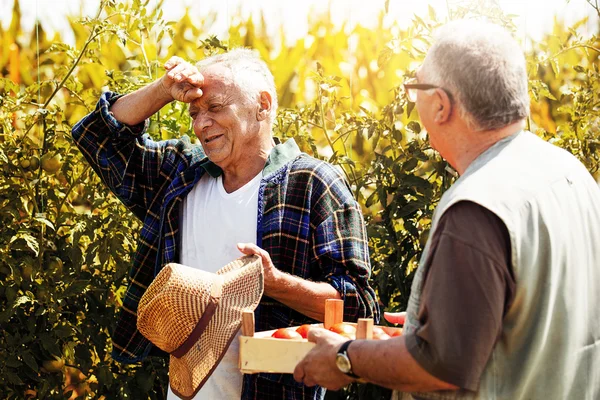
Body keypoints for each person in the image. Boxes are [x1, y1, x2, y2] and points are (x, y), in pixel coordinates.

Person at [293, 19, 600, 400]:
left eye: (415, 87)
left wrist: (344, 358)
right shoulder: (571, 173)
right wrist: (449, 314)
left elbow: (441, 367)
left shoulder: (478, 204)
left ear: (440, 104)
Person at [71, 48, 379, 399]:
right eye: (194, 112)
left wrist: (274, 283)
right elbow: (96, 136)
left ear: (262, 105)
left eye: (215, 108)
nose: (201, 124)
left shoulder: (312, 184)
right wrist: (164, 88)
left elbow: (360, 306)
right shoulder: (182, 174)